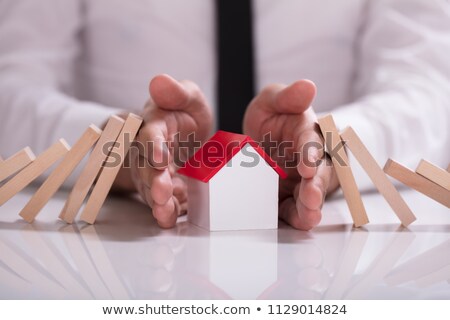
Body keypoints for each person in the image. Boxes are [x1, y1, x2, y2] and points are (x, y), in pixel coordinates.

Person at [0, 0, 449, 230]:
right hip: (118, 242)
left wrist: (331, 153)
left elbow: (432, 89)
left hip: (338, 258)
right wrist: (115, 150)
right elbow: (11, 80)